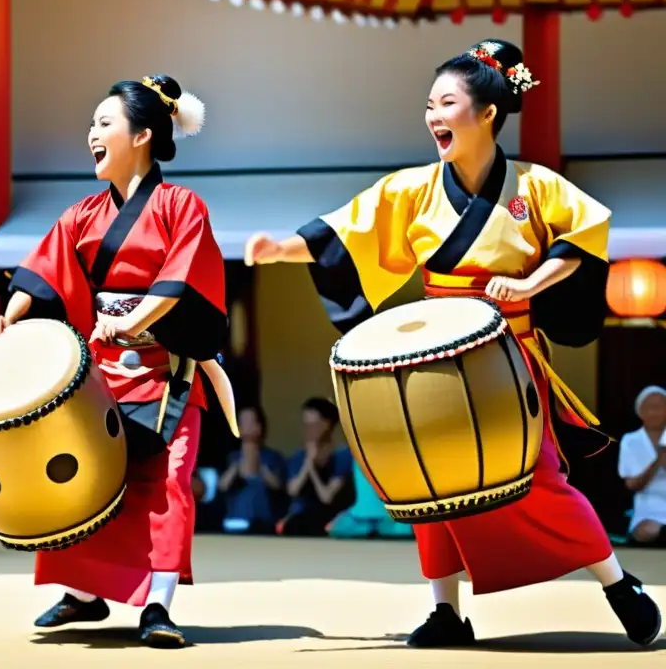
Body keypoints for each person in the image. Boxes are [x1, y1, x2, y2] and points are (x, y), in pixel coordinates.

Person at [244, 40, 662, 648]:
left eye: (446, 102)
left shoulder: (536, 187)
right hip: (439, 356)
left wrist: (529, 281)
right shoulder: (412, 189)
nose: (431, 115)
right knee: (428, 479)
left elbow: (584, 235)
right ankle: (447, 611)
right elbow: (348, 230)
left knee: (539, 475)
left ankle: (618, 583)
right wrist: (281, 250)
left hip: (511, 354)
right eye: (428, 103)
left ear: (487, 112)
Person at [0, 75, 228, 648]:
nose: (90, 133)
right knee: (86, 480)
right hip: (101, 371)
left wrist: (132, 321)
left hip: (166, 372)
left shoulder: (180, 206)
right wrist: (10, 317)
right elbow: (43, 270)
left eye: (103, 123)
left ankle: (158, 605)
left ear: (142, 134)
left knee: (166, 482)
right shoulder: (82, 214)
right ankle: (84, 593)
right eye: (91, 124)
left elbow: (180, 282)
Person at [277, 397, 354, 536]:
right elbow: (292, 490)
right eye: (305, 425)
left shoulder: (342, 456)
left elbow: (326, 497)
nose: (308, 431)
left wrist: (312, 468)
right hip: (301, 518)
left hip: (331, 518)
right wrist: (307, 463)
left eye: (313, 425)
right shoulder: (299, 456)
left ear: (327, 425)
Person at [218, 405, 287, 534]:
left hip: (264, 521)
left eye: (251, 422)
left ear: (260, 427)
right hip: (235, 520)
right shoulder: (231, 458)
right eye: (242, 422)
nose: (246, 426)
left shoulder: (273, 457)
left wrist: (259, 466)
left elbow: (279, 486)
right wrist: (237, 466)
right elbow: (222, 486)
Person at [618, 386, 666, 546]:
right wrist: (657, 461)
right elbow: (632, 485)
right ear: (640, 411)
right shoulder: (630, 441)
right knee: (647, 531)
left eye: (661, 407)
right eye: (651, 407)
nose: (656, 412)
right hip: (648, 506)